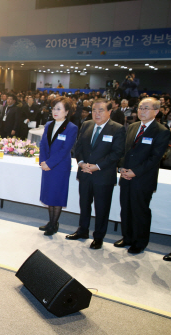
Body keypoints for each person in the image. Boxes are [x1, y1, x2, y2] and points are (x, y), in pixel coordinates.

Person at [66, 99, 126, 249]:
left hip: (103, 176)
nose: (96, 113)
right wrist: (81, 164)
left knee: (101, 208)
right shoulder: (87, 124)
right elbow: (78, 147)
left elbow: (117, 153)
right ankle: (82, 231)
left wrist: (97, 166)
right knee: (84, 204)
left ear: (109, 112)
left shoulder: (117, 129)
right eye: (94, 110)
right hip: (85, 173)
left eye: (101, 110)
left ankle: (98, 237)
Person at [115, 97, 170, 254]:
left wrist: (135, 172)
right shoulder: (132, 127)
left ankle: (140, 242)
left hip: (143, 179)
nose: (142, 111)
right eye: (140, 108)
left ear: (156, 111)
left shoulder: (161, 131)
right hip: (126, 176)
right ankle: (127, 237)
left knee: (140, 211)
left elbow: (155, 158)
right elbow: (125, 151)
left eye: (146, 108)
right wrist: (122, 168)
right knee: (125, 208)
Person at [38, 97, 78, 235]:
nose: (55, 111)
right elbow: (43, 144)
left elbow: (65, 150)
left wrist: (49, 163)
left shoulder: (72, 128)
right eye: (54, 108)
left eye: (59, 109)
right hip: (47, 165)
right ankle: (51, 222)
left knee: (57, 195)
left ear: (67, 112)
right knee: (49, 194)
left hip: (59, 167)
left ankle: (54, 224)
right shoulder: (49, 124)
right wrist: (43, 161)